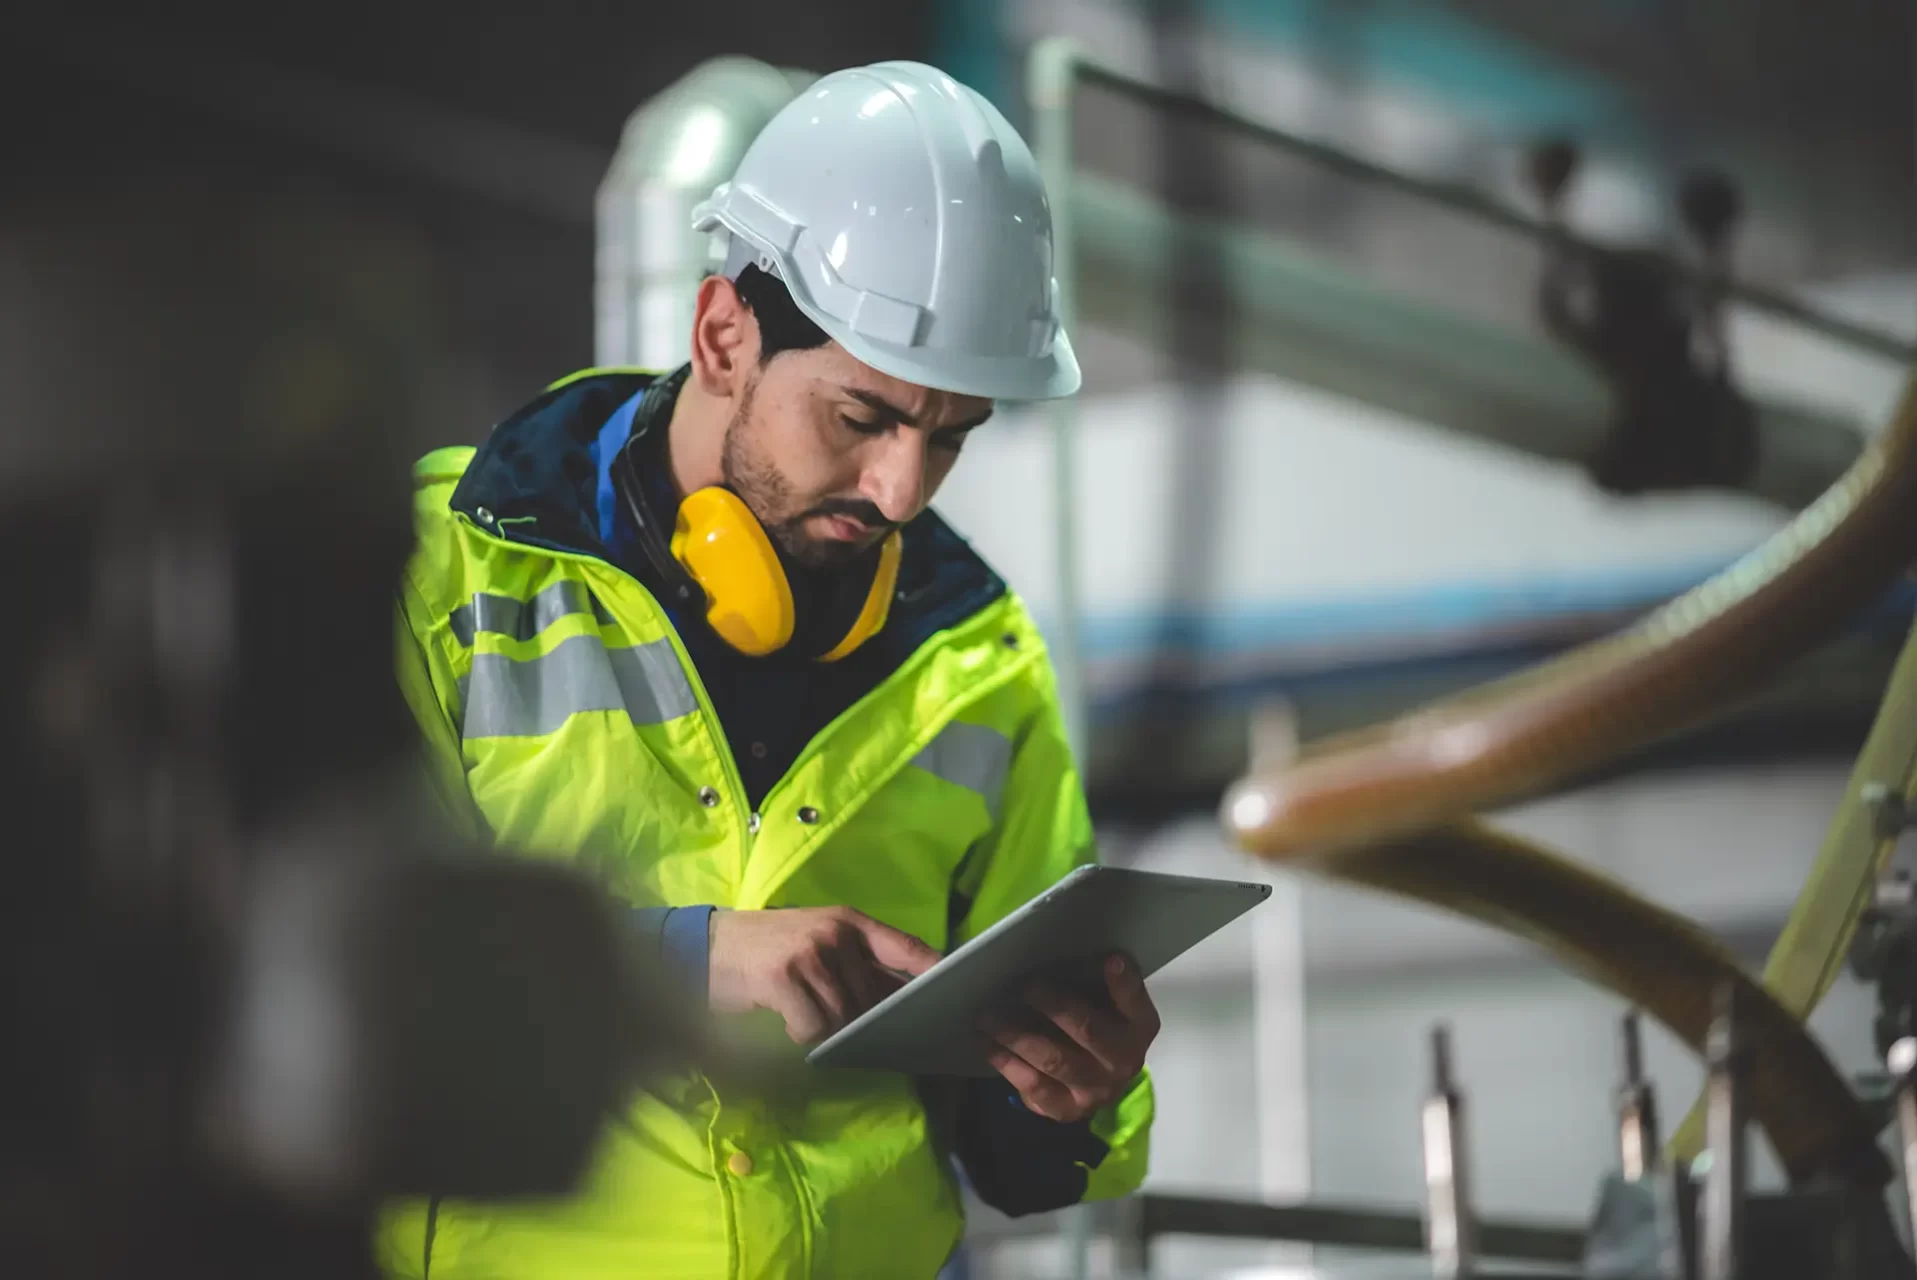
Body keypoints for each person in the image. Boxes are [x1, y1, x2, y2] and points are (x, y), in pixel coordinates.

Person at [378, 60, 1157, 1279]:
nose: (902, 489)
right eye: (861, 417)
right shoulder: (445, 577)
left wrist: (1073, 1090)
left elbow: (1021, 1163)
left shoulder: (977, 659)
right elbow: (342, 991)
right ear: (723, 333)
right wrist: (690, 961)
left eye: (949, 437)